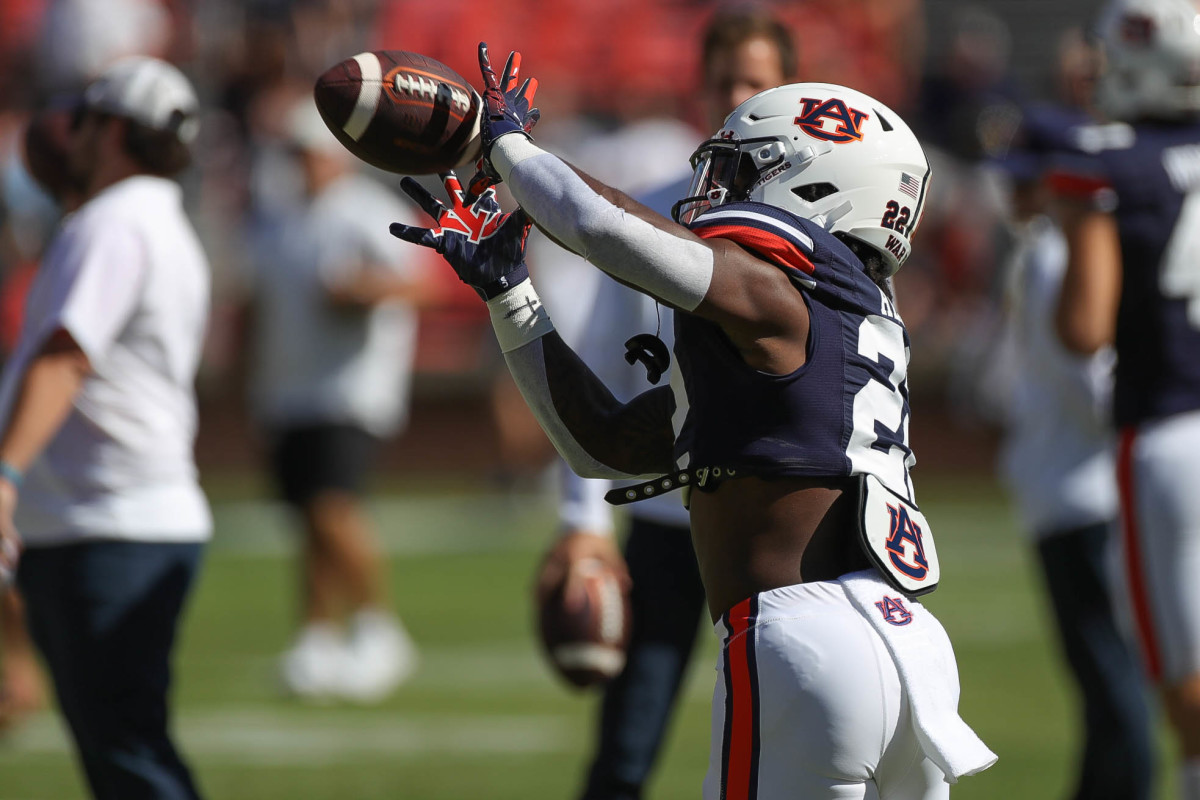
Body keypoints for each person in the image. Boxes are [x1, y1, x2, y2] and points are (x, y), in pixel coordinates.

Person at [393, 44, 996, 797]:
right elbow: (603, 447)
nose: (712, 191)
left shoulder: (786, 294)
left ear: (819, 187)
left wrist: (504, 143)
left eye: (743, 172)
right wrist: (510, 297)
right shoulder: (828, 325)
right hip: (910, 651)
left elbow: (601, 228)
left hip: (802, 636)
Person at [534, 8, 798, 799]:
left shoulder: (825, 217)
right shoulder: (653, 209)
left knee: (791, 740)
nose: (738, 97)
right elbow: (603, 376)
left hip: (779, 524)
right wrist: (583, 525)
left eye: (755, 81)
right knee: (625, 745)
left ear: (791, 87)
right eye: (725, 81)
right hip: (665, 519)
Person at [0, 56, 209, 799]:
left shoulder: (115, 223)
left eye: (85, 118)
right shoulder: (149, 220)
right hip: (113, 517)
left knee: (129, 759)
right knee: (120, 752)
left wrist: (6, 474)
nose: (72, 133)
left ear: (115, 129)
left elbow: (65, 358)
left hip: (112, 522)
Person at [1053, 0, 1200, 795]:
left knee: (1185, 683)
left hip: (1171, 435)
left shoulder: (1110, 166)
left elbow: (1085, 328)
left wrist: (1077, 225)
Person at [989, 108, 1154, 800]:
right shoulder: (1047, 251)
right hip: (1068, 489)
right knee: (1102, 681)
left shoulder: (1054, 258)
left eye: (1031, 181)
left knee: (1111, 684)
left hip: (1080, 495)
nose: (1015, 195)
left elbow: (1098, 388)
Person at [250, 98, 429, 703]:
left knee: (332, 506)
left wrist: (361, 290)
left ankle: (380, 629)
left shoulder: (365, 210)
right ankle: (318, 636)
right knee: (309, 516)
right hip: (292, 388)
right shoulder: (286, 218)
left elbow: (424, 278)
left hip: (350, 385)